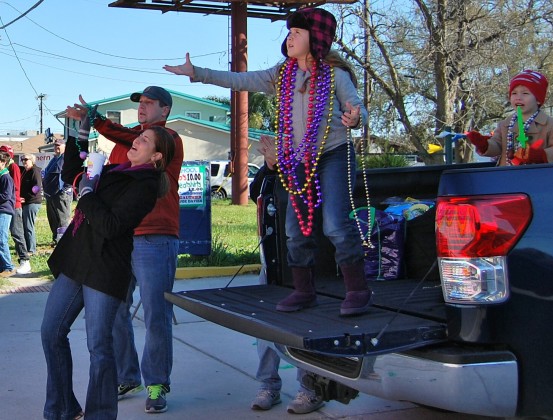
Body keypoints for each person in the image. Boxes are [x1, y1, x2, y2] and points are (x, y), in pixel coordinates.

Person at [164, 7, 373, 317]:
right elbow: (241, 79)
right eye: (289, 32)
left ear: (316, 39)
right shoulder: (282, 74)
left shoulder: (335, 75)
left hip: (333, 154)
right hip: (298, 159)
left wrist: (355, 118)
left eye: (297, 33)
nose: (290, 38)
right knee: (295, 228)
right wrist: (198, 73)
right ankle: (304, 290)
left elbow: (359, 111)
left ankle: (357, 290)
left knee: (335, 223)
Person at [41, 107, 176, 420]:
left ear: (156, 156)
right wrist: (78, 134)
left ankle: (99, 415)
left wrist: (87, 195)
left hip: (104, 268)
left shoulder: (145, 185)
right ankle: (61, 409)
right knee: (51, 332)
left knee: (99, 346)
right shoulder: (116, 170)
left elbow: (113, 225)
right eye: (139, 137)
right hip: (77, 259)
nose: (136, 141)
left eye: (144, 140)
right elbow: (73, 172)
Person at [249, 135, 324, 414]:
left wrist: (287, 166)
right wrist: (270, 167)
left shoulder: (315, 167)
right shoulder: (272, 171)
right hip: (272, 259)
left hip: (303, 264)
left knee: (301, 328)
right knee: (266, 327)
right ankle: (268, 384)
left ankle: (310, 388)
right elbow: (256, 192)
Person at [465, 70, 553, 166]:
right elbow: (497, 146)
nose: (518, 97)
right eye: (514, 93)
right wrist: (484, 144)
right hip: (507, 176)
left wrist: (538, 155)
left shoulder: (552, 125)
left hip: (539, 177)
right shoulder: (505, 125)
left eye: (525, 93)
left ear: (538, 100)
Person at [0, 145, 31, 274]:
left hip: (13, 205)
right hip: (9, 205)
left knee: (16, 233)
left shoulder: (12, 168)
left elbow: (14, 188)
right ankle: (5, 265)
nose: (23, 161)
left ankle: (24, 261)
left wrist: (17, 199)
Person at [43, 138, 73, 247]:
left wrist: (64, 189)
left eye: (59, 145)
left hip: (61, 194)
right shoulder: (54, 158)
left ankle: (63, 242)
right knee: (53, 218)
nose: (56, 147)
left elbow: (71, 174)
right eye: (55, 145)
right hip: (50, 194)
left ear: (65, 147)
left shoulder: (66, 158)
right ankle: (56, 239)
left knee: (62, 219)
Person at [19, 153, 42, 255]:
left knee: (29, 226)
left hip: (32, 202)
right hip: (26, 202)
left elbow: (36, 188)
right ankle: (28, 247)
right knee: (25, 225)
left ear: (32, 160)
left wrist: (26, 198)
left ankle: (32, 249)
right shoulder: (25, 171)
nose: (24, 161)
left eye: (26, 160)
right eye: (22, 159)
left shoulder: (34, 171)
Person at [0, 151, 16, 278]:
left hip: (5, 211)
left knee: (2, 239)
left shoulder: (6, 177)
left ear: (3, 163)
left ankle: (9, 267)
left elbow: (6, 196)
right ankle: (2, 266)